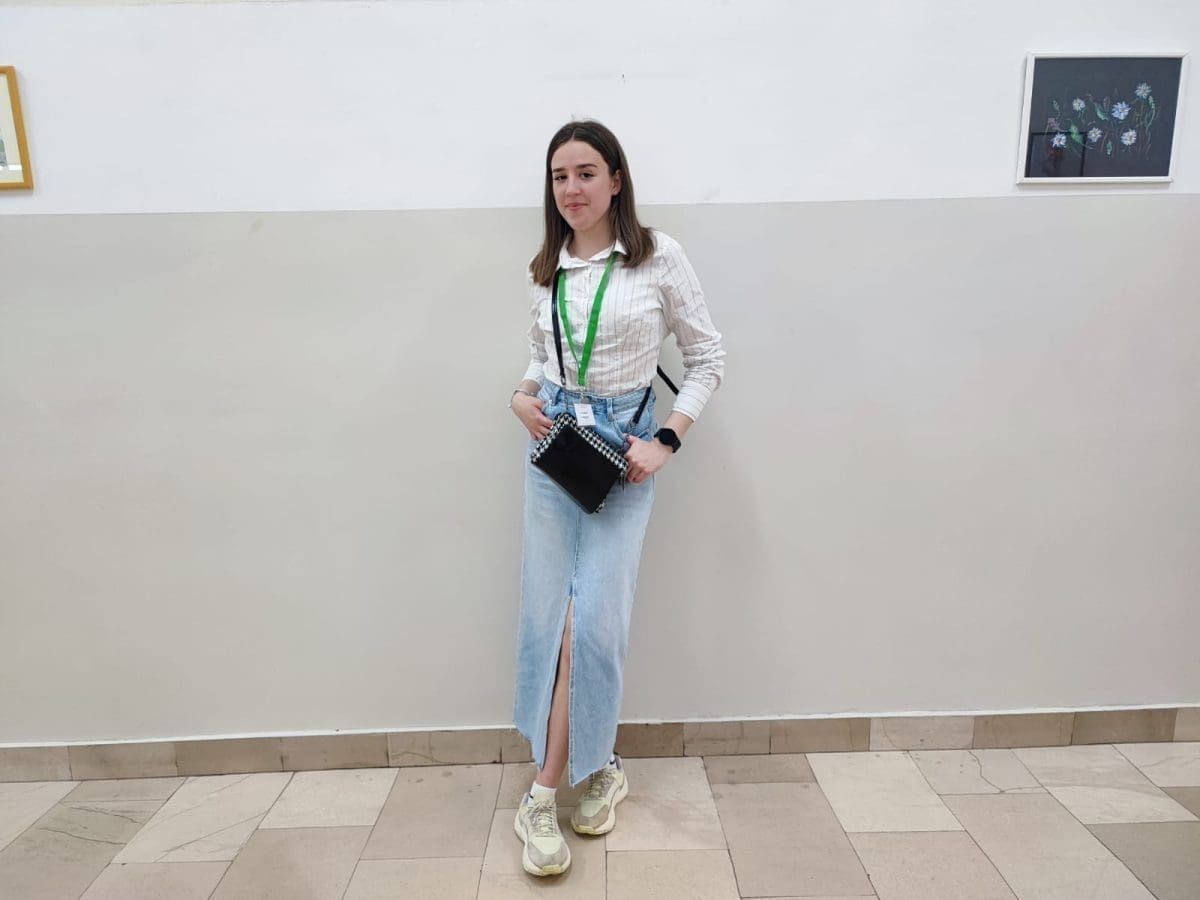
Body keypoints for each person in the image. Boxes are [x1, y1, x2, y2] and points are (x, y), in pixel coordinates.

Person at [508, 120, 725, 877]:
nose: (571, 189)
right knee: (550, 619)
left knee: (593, 625)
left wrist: (666, 441)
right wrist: (522, 395)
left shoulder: (658, 256)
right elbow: (542, 354)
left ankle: (553, 786)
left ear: (616, 180)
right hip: (555, 448)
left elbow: (707, 357)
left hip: (624, 460)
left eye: (586, 173)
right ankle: (582, 772)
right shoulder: (547, 266)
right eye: (559, 176)